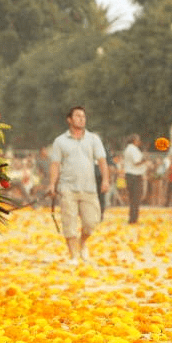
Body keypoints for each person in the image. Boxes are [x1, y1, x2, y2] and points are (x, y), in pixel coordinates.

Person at [48, 106, 109, 265]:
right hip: (67, 188)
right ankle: (74, 255)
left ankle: (83, 243)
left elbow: (102, 161)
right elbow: (55, 164)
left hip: (89, 188)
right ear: (69, 119)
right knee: (70, 224)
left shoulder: (94, 139)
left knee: (91, 223)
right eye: (78, 116)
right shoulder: (59, 141)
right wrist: (52, 184)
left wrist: (105, 180)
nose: (82, 118)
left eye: (83, 116)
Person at [123, 133, 148, 224]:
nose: (139, 142)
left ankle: (132, 217)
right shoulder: (133, 149)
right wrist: (145, 160)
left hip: (130, 175)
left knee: (133, 198)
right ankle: (133, 219)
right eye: (138, 140)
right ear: (134, 141)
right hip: (135, 175)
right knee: (136, 198)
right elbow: (137, 162)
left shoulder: (128, 149)